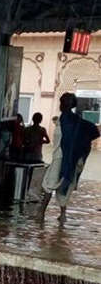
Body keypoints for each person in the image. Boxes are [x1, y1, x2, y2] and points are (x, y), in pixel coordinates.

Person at [38, 93, 100, 223]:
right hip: (70, 159)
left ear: (63, 104)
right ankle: (62, 215)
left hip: (61, 158)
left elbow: (92, 132)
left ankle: (41, 214)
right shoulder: (75, 120)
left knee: (48, 184)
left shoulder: (67, 120)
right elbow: (94, 132)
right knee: (64, 186)